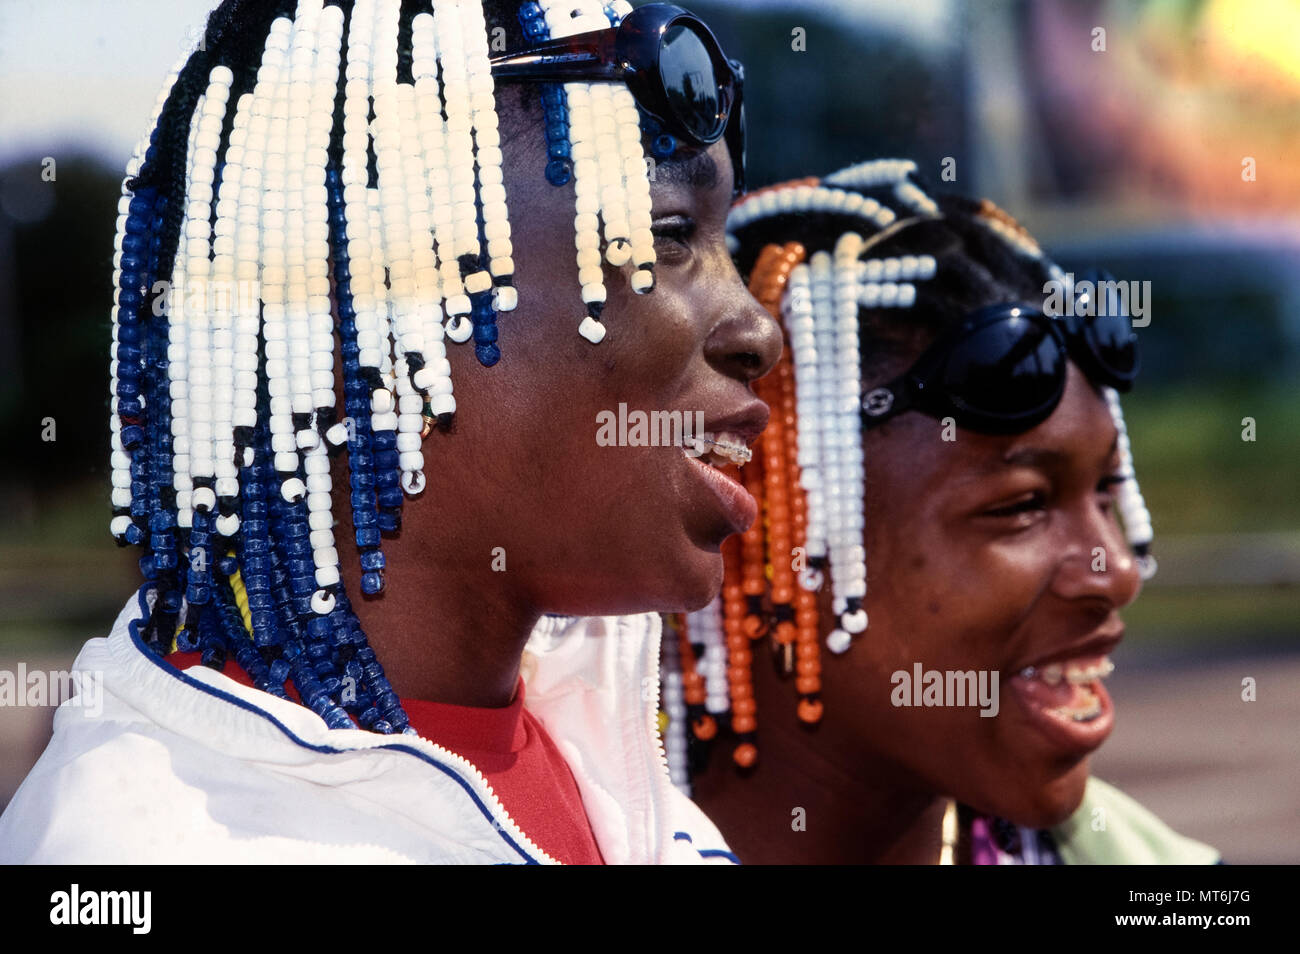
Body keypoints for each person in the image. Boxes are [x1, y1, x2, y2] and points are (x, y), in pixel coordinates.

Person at [0, 0, 779, 864]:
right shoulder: (147, 845)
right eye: (671, 236)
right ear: (373, 304)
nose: (756, 331)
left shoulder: (627, 789)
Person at [662, 159, 1220, 864]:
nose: (1114, 575)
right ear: (765, 535)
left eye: (1109, 492)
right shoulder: (526, 837)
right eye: (1021, 506)